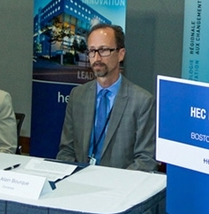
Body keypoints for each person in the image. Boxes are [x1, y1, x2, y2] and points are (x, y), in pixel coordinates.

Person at [57, 24, 157, 172]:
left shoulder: (142, 101)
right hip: (79, 184)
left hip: (120, 189)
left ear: (121, 54)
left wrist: (110, 185)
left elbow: (146, 160)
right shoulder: (77, 96)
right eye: (92, 51)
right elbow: (66, 151)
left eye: (103, 50)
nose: (96, 58)